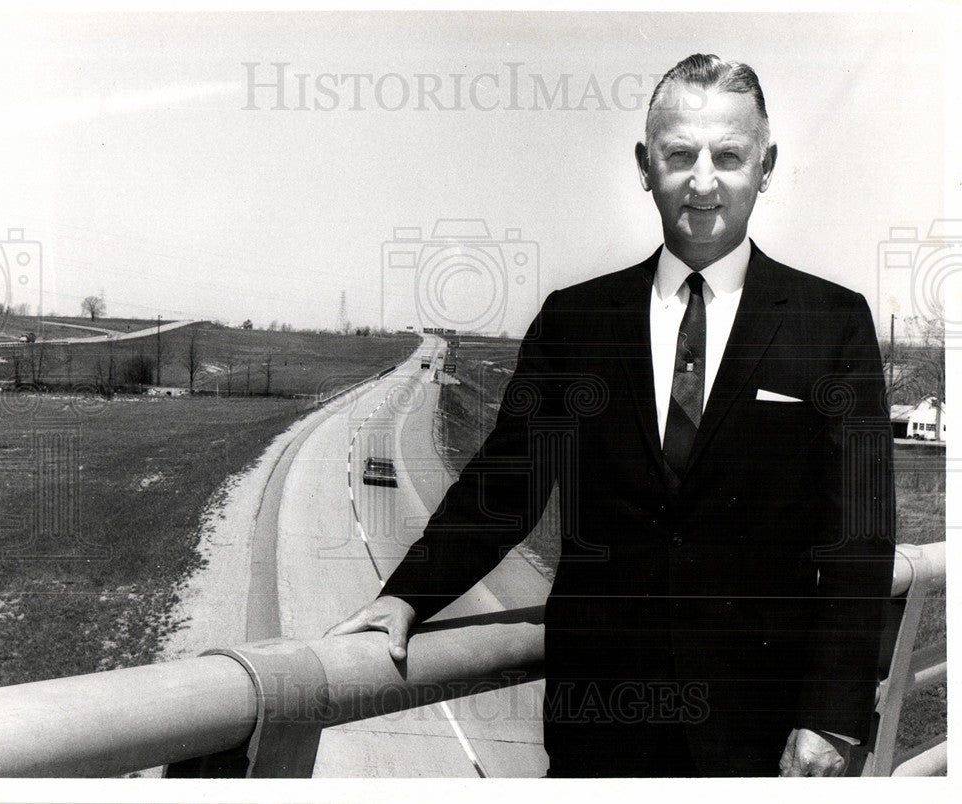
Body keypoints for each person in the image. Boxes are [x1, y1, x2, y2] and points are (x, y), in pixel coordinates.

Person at [326, 54, 895, 778]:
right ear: (644, 164)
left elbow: (862, 538)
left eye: (729, 156)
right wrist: (408, 594)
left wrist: (831, 717)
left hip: (759, 735)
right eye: (679, 154)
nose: (703, 181)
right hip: (600, 728)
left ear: (767, 165)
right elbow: (506, 484)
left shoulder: (833, 324)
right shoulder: (576, 321)